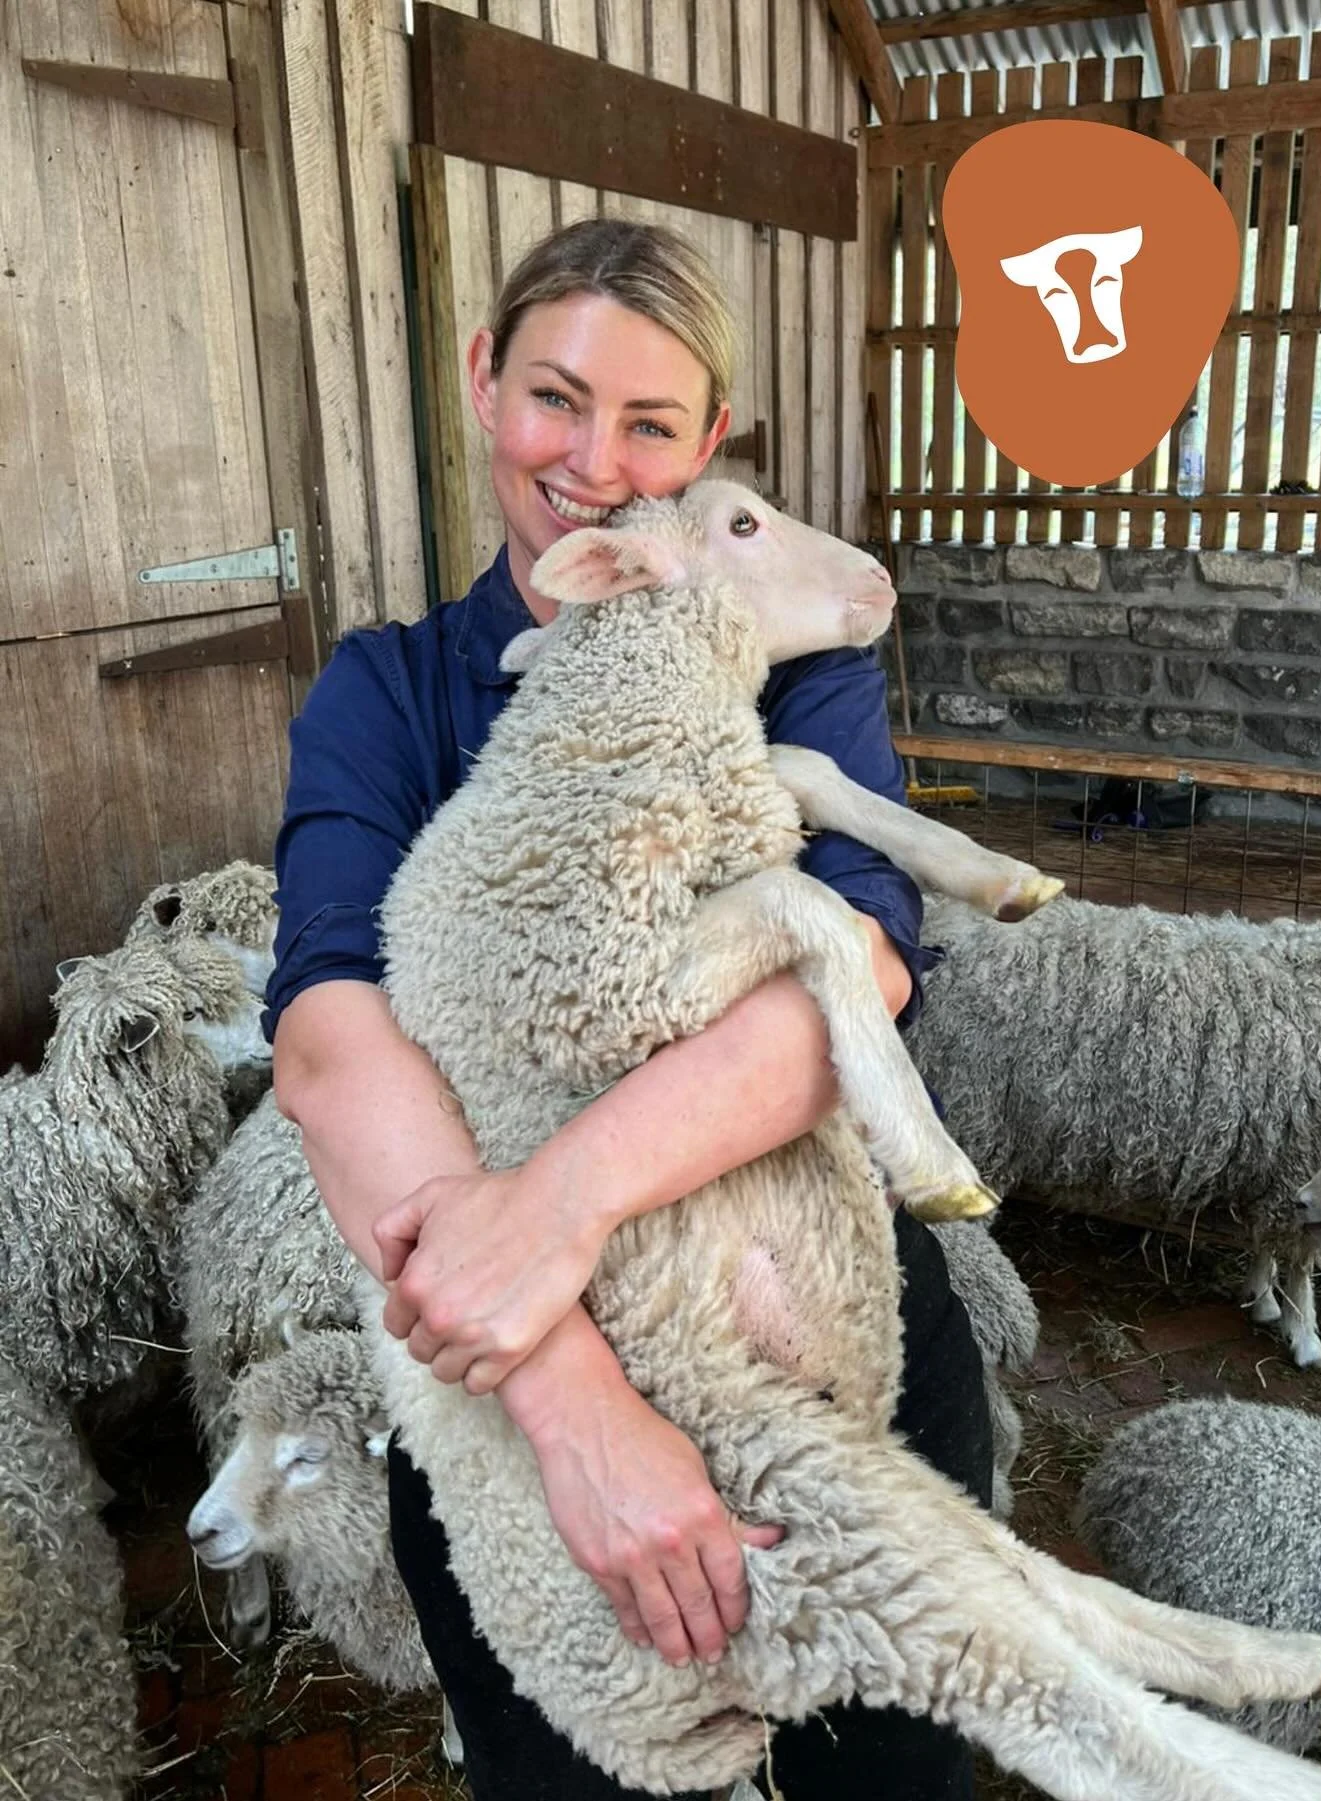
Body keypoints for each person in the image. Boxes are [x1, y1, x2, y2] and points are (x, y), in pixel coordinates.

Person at [265, 217, 993, 1801]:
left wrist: (563, 1197)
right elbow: (331, 1042)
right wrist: (570, 1403)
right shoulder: (388, 693)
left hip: (826, 1326)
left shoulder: (781, 654)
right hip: (517, 1409)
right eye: (555, 398)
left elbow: (859, 968)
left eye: (650, 421)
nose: (592, 460)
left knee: (900, 1774)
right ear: (483, 382)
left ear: (707, 440)